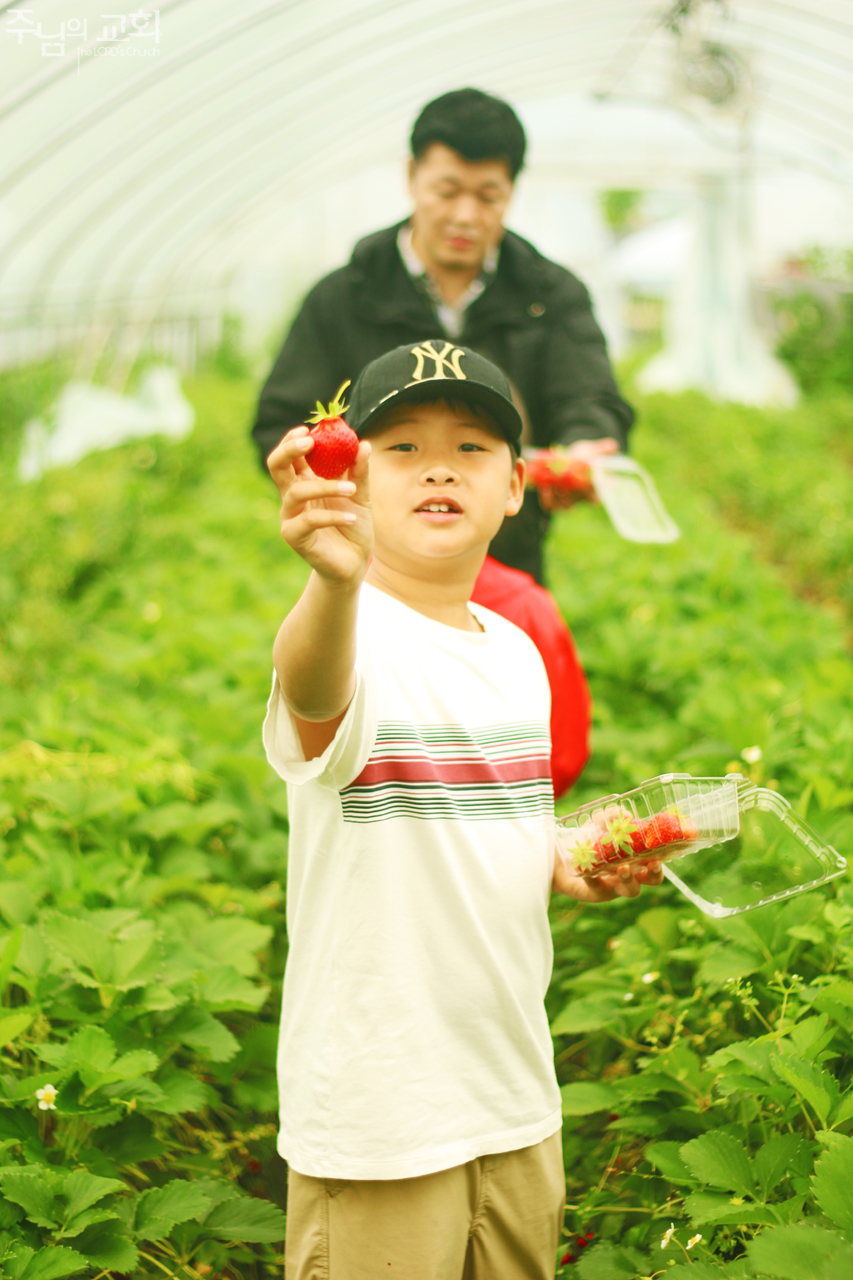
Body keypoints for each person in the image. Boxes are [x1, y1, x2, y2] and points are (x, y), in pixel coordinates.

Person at [263, 341, 662, 1279]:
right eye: (400, 446)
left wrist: (560, 856)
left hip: (513, 1093)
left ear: (518, 486)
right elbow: (314, 692)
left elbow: (485, 815)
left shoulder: (516, 649)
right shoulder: (348, 631)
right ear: (351, 476)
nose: (439, 465)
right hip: (383, 1116)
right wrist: (330, 578)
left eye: (472, 447)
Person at [254, 88, 632, 793]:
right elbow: (280, 416)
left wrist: (584, 447)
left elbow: (590, 395)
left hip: (503, 560)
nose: (465, 214)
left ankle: (510, 848)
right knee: (376, 739)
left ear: (510, 194)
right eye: (447, 189)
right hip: (375, 570)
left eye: (487, 196)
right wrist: (327, 474)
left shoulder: (548, 294)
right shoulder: (345, 296)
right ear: (411, 179)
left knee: (500, 735)